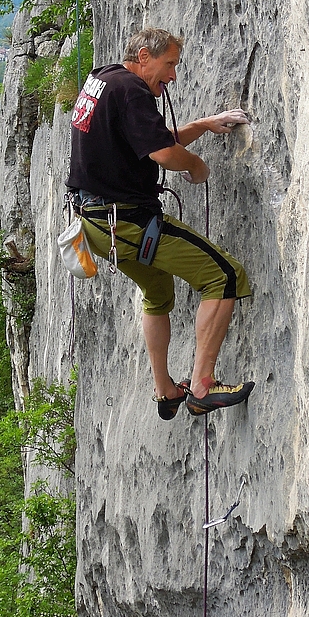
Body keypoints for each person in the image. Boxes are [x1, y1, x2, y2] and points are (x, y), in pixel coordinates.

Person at [67, 27, 254, 420]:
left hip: (96, 227)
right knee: (225, 277)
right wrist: (198, 167)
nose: (171, 76)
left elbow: (145, 139)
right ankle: (203, 385)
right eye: (169, 64)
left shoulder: (103, 81)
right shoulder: (132, 90)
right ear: (144, 56)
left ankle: (166, 391)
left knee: (157, 291)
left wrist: (203, 125)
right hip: (129, 223)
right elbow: (164, 154)